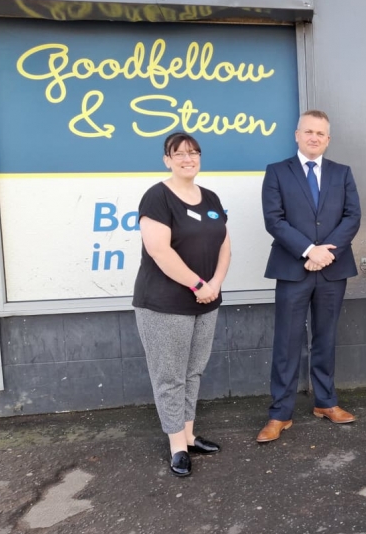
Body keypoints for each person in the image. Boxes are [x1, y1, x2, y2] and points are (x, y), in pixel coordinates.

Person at [257, 110, 361, 443]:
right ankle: (280, 414)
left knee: (326, 338)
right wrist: (308, 250)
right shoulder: (277, 172)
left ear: (328, 139)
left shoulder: (342, 173)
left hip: (333, 268)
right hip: (292, 268)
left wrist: (325, 253)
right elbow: (274, 220)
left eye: (320, 133)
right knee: (287, 342)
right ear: (297, 134)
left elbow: (352, 217)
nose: (314, 137)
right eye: (309, 131)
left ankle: (326, 402)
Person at [133, 132, 232, 477]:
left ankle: (189, 435)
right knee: (170, 376)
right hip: (164, 303)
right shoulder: (157, 197)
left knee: (193, 370)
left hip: (207, 300)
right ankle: (177, 446)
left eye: (193, 153)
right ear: (167, 159)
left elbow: (224, 245)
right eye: (179, 154)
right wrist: (197, 284)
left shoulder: (211, 197)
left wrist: (215, 284)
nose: (187, 159)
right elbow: (160, 250)